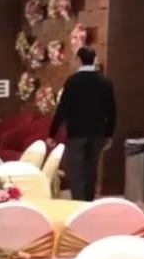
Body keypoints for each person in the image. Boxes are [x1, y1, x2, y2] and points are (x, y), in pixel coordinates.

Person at [49, 46, 116, 201]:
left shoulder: (72, 82)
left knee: (76, 173)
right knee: (91, 171)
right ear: (94, 60)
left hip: (76, 133)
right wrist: (109, 134)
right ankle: (88, 204)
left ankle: (78, 206)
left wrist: (52, 133)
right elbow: (112, 111)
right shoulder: (105, 82)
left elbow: (63, 109)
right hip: (98, 134)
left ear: (79, 60)